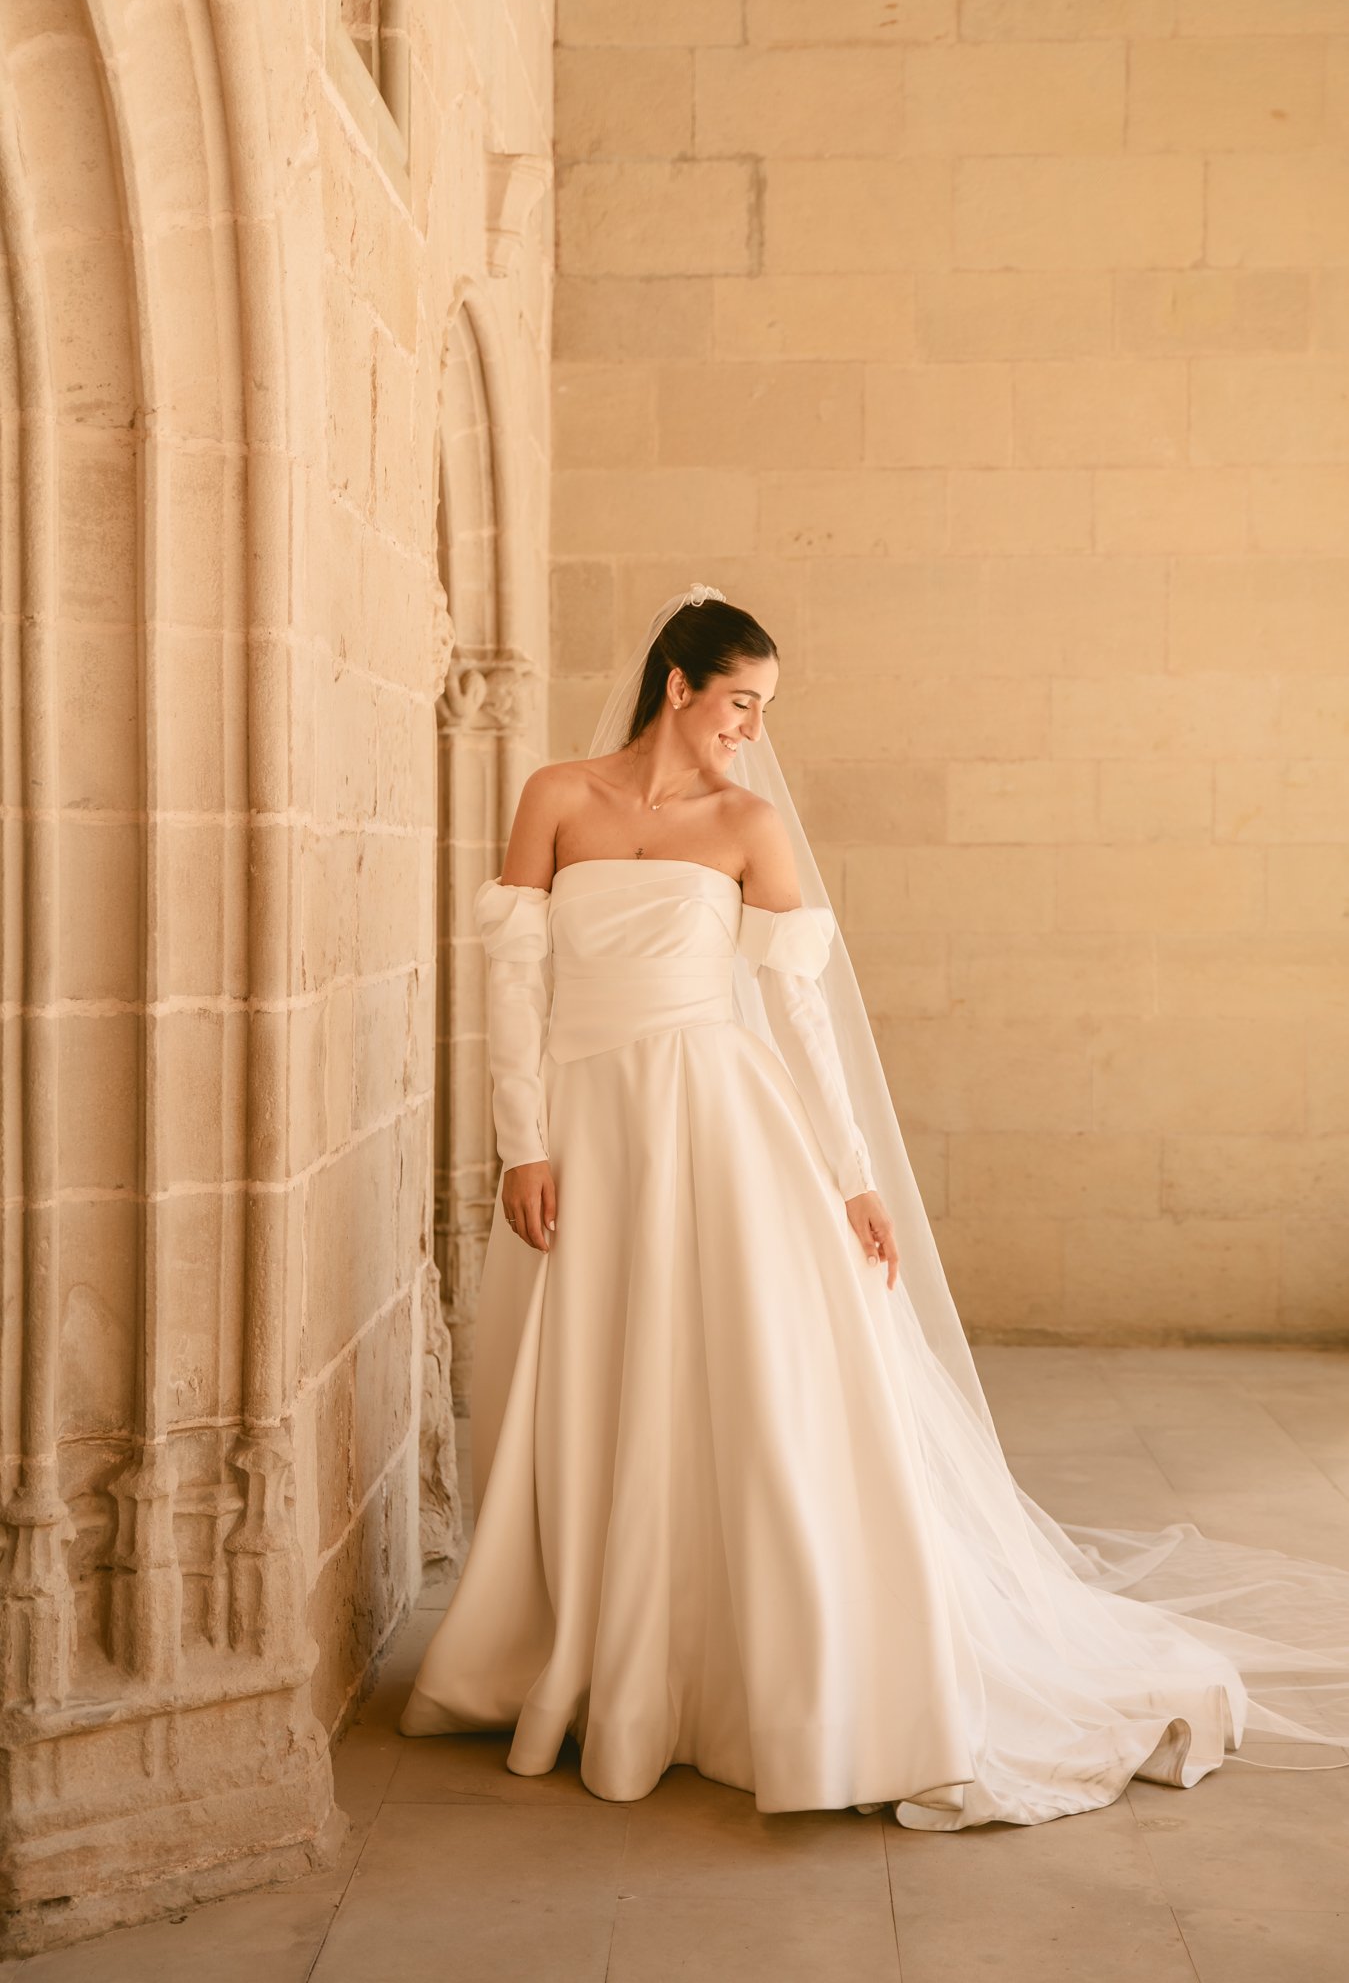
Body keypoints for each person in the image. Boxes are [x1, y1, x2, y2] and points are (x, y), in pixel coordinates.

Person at [400, 586, 1349, 1827]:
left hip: (716, 1120)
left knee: (742, 1380)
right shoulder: (555, 796)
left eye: (764, 708)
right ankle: (591, 1645)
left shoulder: (747, 821)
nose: (753, 729)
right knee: (591, 1373)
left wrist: (851, 1173)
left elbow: (798, 1014)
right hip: (584, 1124)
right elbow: (514, 980)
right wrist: (520, 1141)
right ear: (677, 684)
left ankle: (748, 1669)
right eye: (740, 700)